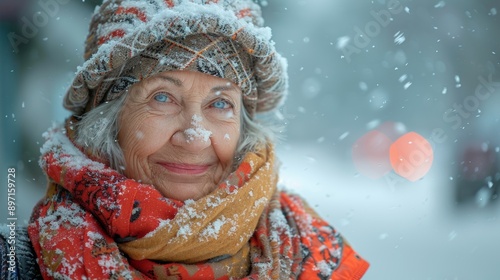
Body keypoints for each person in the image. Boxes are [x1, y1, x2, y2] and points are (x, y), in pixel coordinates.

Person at [25, 0, 369, 278]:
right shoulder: (20, 263)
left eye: (220, 104)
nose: (194, 137)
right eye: (162, 98)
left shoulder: (308, 255)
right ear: (108, 122)